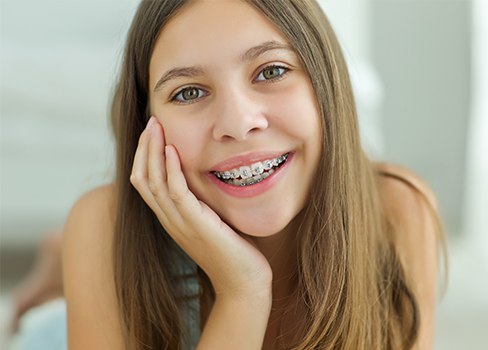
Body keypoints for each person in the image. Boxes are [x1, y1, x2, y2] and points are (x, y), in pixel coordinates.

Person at [60, 0, 445, 349]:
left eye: (272, 71)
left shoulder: (399, 210)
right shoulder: (103, 227)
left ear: (325, 80)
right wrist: (242, 292)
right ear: (146, 125)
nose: (238, 124)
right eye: (188, 93)